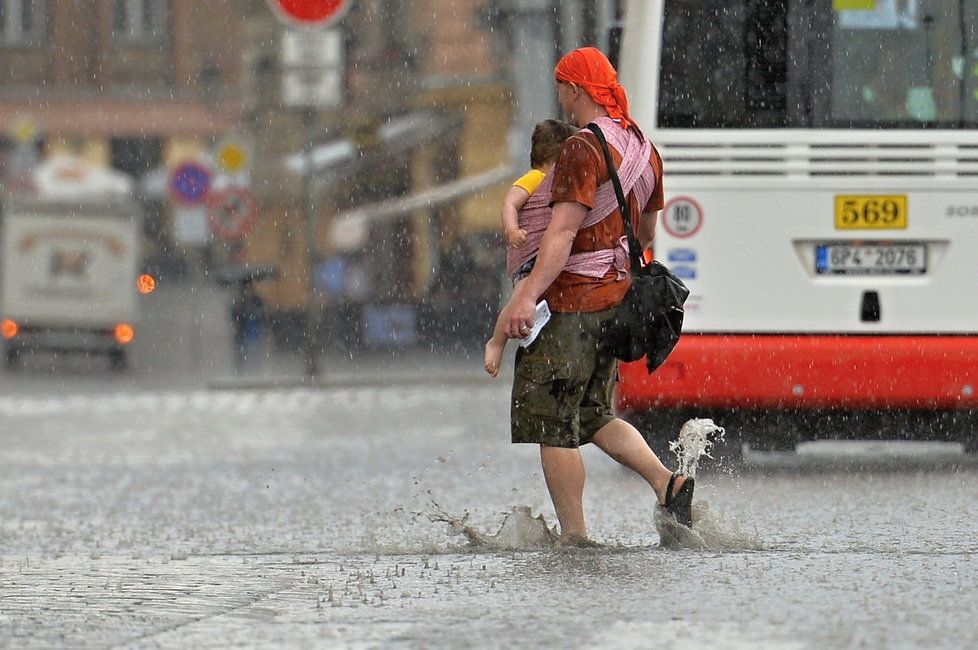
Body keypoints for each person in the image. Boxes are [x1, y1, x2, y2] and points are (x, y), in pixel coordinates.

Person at [497, 47, 694, 546]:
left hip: (570, 307)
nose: (560, 97)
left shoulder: (581, 149)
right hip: (615, 303)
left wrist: (525, 297)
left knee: (553, 422)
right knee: (593, 414)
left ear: (576, 90)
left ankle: (575, 536)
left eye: (562, 86)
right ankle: (666, 482)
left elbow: (560, 235)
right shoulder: (644, 149)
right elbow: (646, 230)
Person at [484, 119, 577, 378]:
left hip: (542, 254)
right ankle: (496, 342)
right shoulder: (536, 178)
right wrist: (512, 230)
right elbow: (509, 205)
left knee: (535, 302)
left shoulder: (559, 183)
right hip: (527, 255)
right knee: (520, 299)